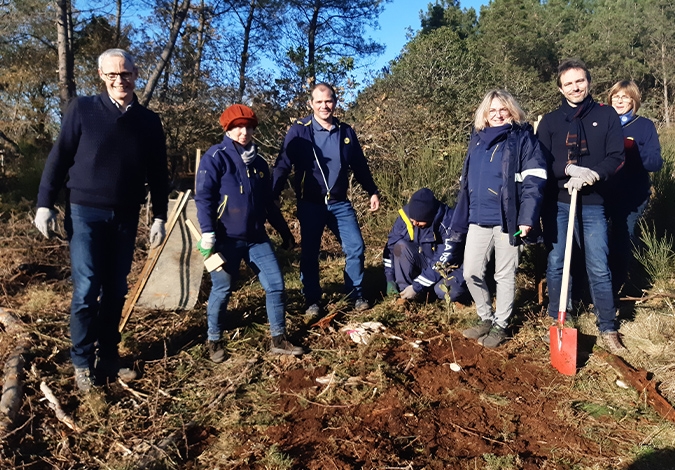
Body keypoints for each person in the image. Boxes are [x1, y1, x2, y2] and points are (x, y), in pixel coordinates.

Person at [34, 48, 168, 392]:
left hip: (125, 214)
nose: (119, 80)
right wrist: (45, 203)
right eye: (112, 74)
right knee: (87, 286)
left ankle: (108, 355)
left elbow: (158, 173)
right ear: (101, 76)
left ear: (136, 74)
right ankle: (81, 361)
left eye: (125, 74)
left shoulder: (148, 122)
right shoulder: (83, 109)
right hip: (84, 212)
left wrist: (159, 216)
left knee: (116, 288)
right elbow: (59, 156)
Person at [194, 104, 303, 362]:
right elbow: (204, 198)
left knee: (275, 285)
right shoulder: (215, 157)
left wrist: (285, 233)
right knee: (222, 289)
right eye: (237, 127)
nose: (243, 132)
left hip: (256, 238)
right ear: (228, 129)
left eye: (247, 127)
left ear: (253, 128)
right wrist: (208, 232)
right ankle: (214, 341)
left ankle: (278, 339)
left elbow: (268, 204)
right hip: (225, 239)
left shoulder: (260, 164)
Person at [537, 59, 626, 353]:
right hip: (559, 204)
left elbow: (616, 156)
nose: (575, 87)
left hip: (593, 203)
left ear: (588, 81)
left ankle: (608, 327)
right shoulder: (550, 121)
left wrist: (594, 173)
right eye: (569, 83)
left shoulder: (607, 114)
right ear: (560, 88)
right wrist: (568, 170)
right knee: (558, 261)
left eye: (580, 81)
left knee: (598, 265)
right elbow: (542, 163)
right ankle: (559, 316)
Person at [272, 82, 380, 318]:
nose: (324, 106)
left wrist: (372, 190)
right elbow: (282, 164)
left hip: (339, 203)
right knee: (310, 252)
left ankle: (355, 294)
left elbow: (359, 166)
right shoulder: (299, 130)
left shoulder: (345, 131)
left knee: (356, 247)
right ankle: (312, 300)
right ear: (311, 104)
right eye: (319, 102)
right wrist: (274, 193)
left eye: (328, 101)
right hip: (311, 203)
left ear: (335, 102)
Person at [452, 90, 547, 348]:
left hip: (510, 220)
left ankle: (501, 324)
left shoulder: (524, 139)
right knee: (471, 270)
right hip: (477, 217)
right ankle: (485, 316)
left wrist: (527, 218)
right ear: (485, 113)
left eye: (502, 110)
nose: (497, 115)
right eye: (491, 111)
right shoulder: (477, 139)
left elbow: (534, 182)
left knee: (504, 274)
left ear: (511, 111)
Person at [605, 80, 663, 297]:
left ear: (634, 100)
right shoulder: (604, 124)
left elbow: (655, 163)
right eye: (616, 96)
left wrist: (632, 151)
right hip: (604, 193)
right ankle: (600, 284)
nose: (619, 101)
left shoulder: (644, 126)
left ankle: (622, 284)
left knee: (623, 234)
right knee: (600, 237)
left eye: (625, 97)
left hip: (632, 195)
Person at [383, 188, 468, 304]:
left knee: (444, 290)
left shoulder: (450, 223)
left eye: (419, 222)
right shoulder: (407, 217)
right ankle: (405, 296)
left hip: (449, 268)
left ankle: (457, 295)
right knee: (400, 246)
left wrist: (416, 287)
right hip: (425, 260)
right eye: (412, 220)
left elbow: (442, 261)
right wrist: (390, 278)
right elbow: (391, 247)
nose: (414, 224)